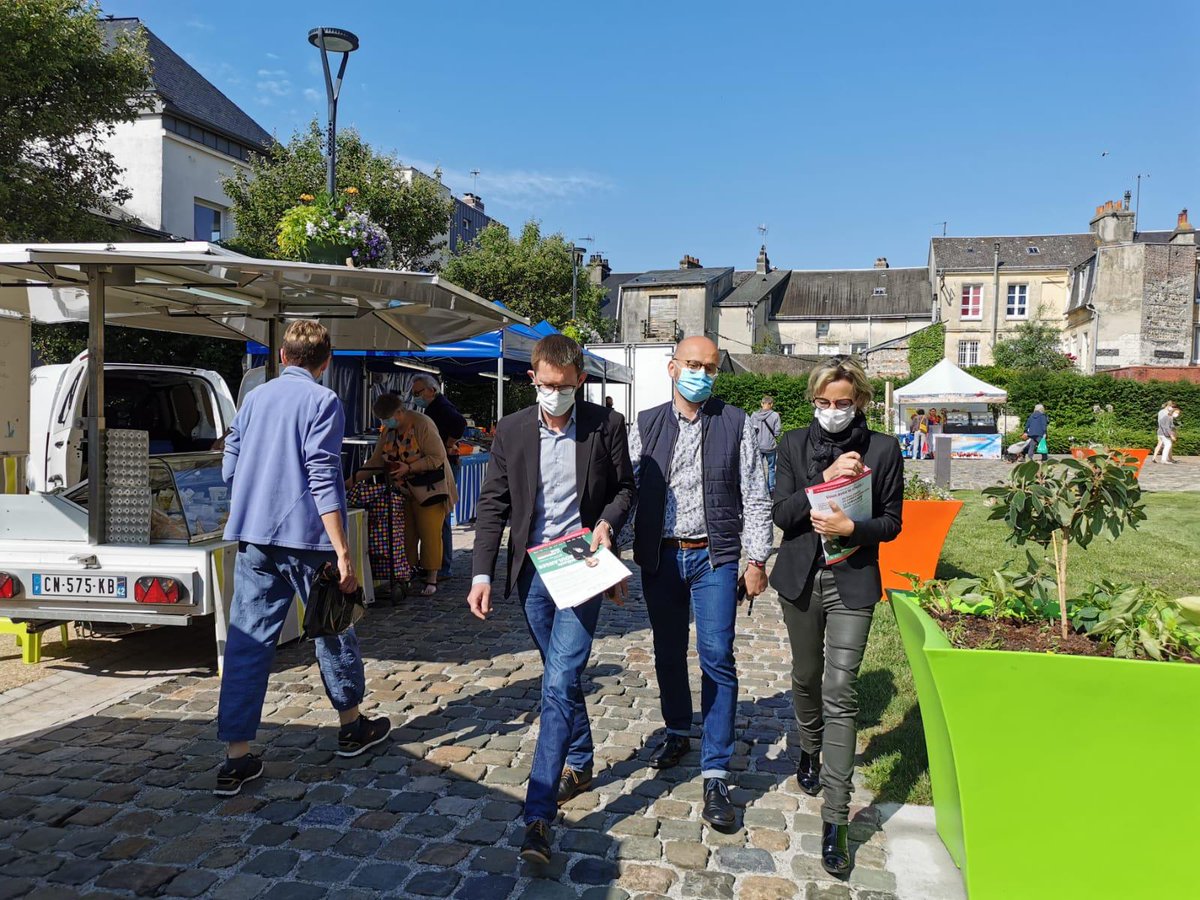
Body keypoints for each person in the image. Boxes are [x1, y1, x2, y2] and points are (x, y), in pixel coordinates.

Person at [468, 334, 635, 866]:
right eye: (546, 384)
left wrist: (608, 524)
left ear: (580, 382)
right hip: (532, 573)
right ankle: (581, 758)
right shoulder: (513, 430)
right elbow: (493, 503)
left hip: (582, 565)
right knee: (560, 674)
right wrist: (481, 573)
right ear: (533, 378)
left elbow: (626, 488)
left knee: (559, 680)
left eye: (564, 387)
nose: (554, 394)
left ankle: (537, 814)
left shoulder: (605, 425)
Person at [214, 320, 390, 797]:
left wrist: (255, 493)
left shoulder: (254, 399)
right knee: (332, 630)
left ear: (284, 356)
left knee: (248, 643)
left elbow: (230, 462)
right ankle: (351, 724)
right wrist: (344, 550)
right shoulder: (323, 401)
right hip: (306, 539)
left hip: (253, 535)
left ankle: (236, 757)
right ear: (326, 363)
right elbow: (323, 474)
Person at [628, 336, 771, 831]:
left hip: (715, 557)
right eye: (693, 365)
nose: (703, 374)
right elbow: (629, 492)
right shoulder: (645, 424)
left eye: (710, 367)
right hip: (662, 557)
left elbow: (756, 495)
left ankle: (715, 770)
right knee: (667, 652)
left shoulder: (736, 423)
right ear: (672, 368)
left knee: (717, 656)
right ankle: (676, 729)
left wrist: (756, 558)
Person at [769, 356, 903, 877]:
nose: (831, 412)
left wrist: (853, 527)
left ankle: (835, 819)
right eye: (822, 403)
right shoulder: (794, 445)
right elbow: (782, 513)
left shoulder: (884, 449)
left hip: (853, 581)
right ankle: (808, 745)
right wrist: (822, 482)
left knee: (840, 689)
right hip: (801, 578)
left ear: (860, 401)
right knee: (806, 676)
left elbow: (892, 522)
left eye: (842, 403)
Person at [351, 394, 457, 597]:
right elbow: (376, 461)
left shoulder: (422, 424)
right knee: (406, 533)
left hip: (430, 489)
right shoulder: (388, 431)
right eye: (382, 420)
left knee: (430, 533)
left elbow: (436, 457)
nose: (386, 423)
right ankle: (406, 574)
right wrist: (352, 480)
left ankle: (432, 577)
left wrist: (409, 467)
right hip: (403, 490)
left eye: (388, 418)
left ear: (400, 412)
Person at [410, 375, 467, 578]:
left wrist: (448, 444)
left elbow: (459, 423)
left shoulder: (440, 407)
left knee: (440, 517)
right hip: (439, 463)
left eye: (418, 393)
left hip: (442, 467)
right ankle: (437, 564)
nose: (416, 397)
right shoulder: (434, 407)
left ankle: (443, 566)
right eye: (414, 394)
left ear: (431, 390)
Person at [750, 395, 783, 494]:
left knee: (757, 468)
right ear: (771, 404)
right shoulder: (775, 415)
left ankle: (758, 488)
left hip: (758, 446)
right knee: (771, 468)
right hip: (770, 446)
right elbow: (777, 432)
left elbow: (750, 430)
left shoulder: (754, 415)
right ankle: (770, 488)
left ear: (761, 403)